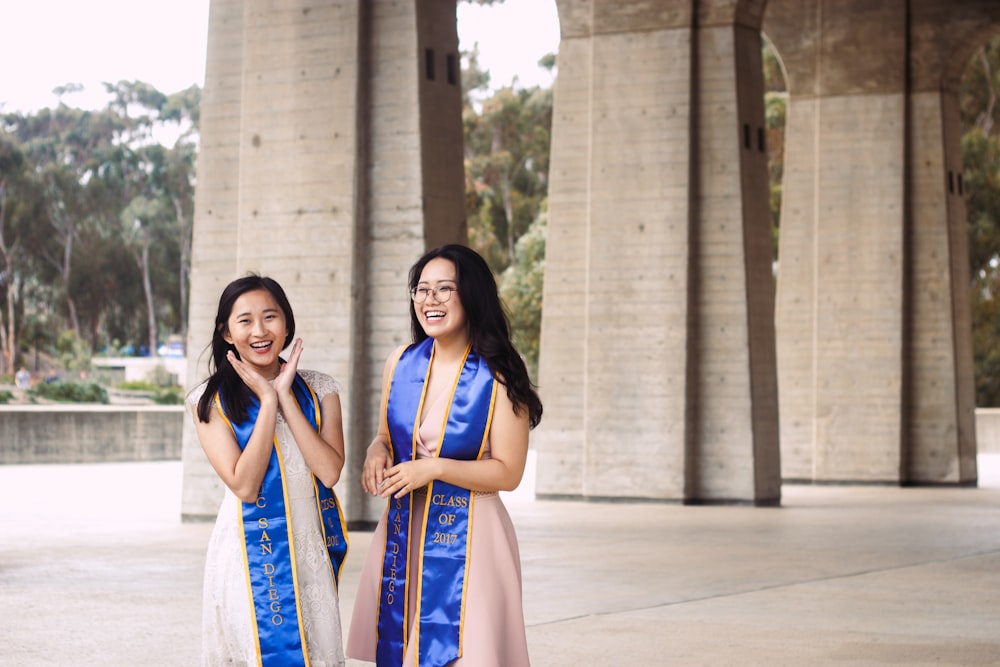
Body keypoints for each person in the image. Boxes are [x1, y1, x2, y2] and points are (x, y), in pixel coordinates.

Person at [346, 244, 543, 667]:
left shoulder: (500, 371)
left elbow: (508, 473)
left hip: (473, 535)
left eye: (444, 289)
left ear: (471, 295)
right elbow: (385, 433)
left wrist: (432, 468)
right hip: (406, 528)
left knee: (469, 654)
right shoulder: (401, 362)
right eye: (422, 289)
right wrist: (375, 451)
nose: (429, 300)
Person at [188, 274, 349, 666]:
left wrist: (284, 397)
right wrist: (265, 401)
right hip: (247, 555)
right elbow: (244, 485)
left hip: (308, 550)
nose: (259, 331)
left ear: (287, 324)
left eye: (270, 317)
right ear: (226, 333)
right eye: (244, 321)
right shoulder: (209, 402)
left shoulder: (319, 389)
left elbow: (329, 472)